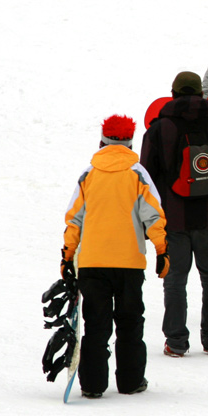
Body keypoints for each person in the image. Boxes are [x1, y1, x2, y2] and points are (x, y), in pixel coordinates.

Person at [140, 71, 208, 357]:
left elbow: (145, 181)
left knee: (175, 278)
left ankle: (176, 341)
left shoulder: (158, 129)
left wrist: (143, 223)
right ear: (201, 95)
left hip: (172, 219)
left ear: (173, 94)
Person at [61, 115, 169, 399]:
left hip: (92, 263)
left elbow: (74, 219)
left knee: (96, 324)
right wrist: (161, 249)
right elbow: (154, 215)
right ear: (130, 142)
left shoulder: (89, 174)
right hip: (129, 263)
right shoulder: (138, 173)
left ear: (102, 141)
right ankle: (131, 381)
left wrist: (67, 254)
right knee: (130, 322)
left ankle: (93, 384)